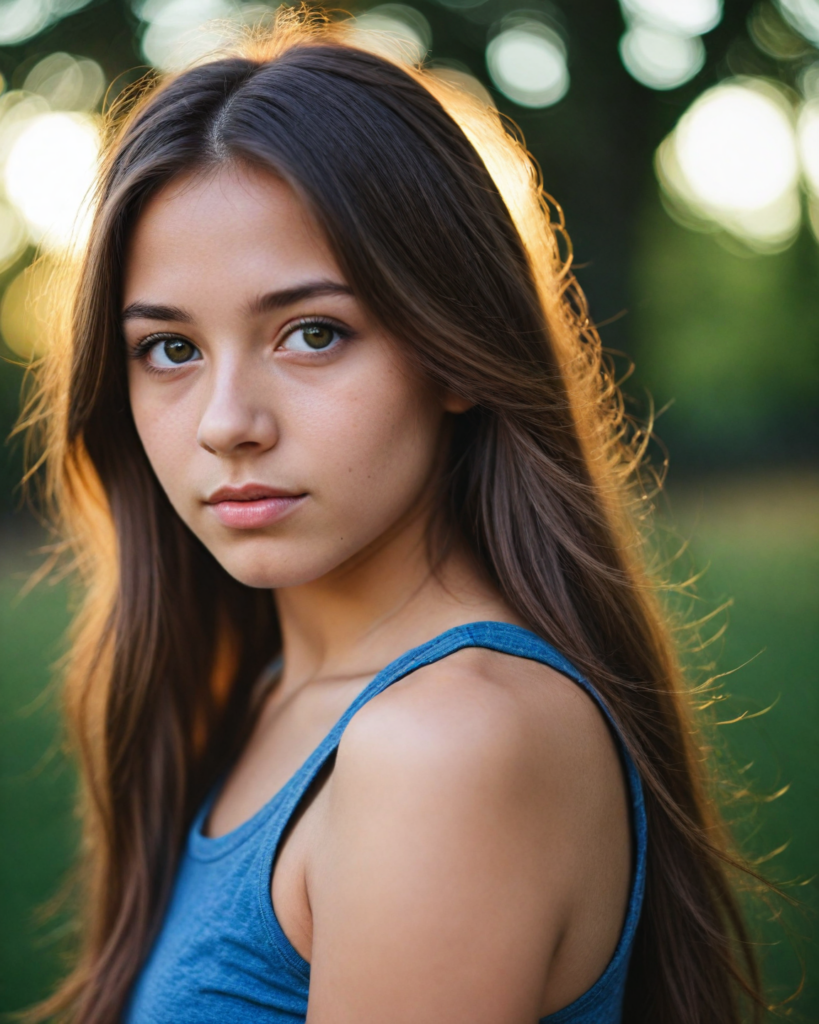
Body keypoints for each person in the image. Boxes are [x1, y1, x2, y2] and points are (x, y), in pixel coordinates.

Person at [26, 9, 763, 1024]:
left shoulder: (447, 742)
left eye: (313, 332)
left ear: (453, 348)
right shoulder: (260, 688)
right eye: (170, 348)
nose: (226, 423)